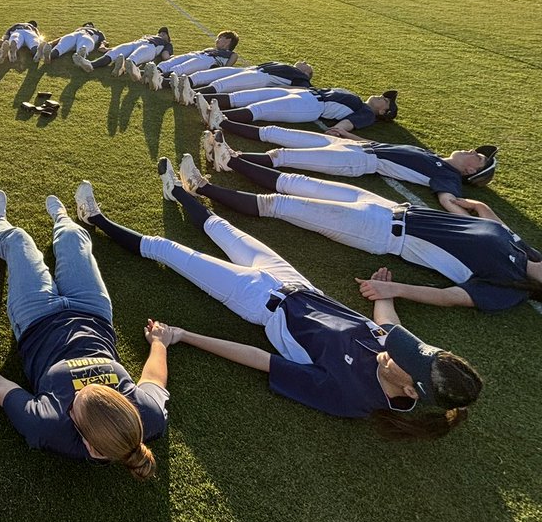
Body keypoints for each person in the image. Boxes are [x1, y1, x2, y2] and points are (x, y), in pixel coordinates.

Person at [75, 174, 481, 436]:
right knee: (223, 228)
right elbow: (387, 327)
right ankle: (178, 190)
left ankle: (94, 219)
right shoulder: (402, 355)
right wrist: (385, 293)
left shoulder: (348, 396)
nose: (396, 348)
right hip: (297, 283)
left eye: (402, 357)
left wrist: (183, 335)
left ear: (410, 390)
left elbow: (260, 359)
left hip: (257, 301)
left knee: (169, 250)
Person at [0, 190, 170, 477]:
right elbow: (153, 379)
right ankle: (63, 218)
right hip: (93, 312)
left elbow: (1, 388)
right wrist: (159, 343)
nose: (82, 389)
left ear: (88, 445)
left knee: (19, 240)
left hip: (35, 319)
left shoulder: (48, 427)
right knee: (74, 237)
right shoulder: (148, 417)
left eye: (74, 404)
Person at [168, 152, 542, 312]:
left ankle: (199, 187)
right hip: (393, 207)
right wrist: (467, 205)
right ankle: (228, 161)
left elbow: (451, 297)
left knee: (279, 206)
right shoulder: (524, 250)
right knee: (301, 183)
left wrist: (395, 290)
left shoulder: (508, 290)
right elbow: (488, 217)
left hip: (382, 233)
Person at [201, 124, 498, 213]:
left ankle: (229, 159)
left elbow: (448, 199)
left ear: (470, 173)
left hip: (361, 162)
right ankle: (227, 154)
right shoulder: (432, 156)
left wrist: (471, 214)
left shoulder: (448, 176)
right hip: (357, 148)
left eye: (479, 159)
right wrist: (348, 135)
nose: (474, 152)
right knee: (285, 144)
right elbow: (383, 145)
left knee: (287, 157)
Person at [195, 85, 398, 139]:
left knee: (261, 109)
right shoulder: (358, 99)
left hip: (312, 106)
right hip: (306, 94)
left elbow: (349, 123)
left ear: (383, 112)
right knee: (252, 96)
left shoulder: (367, 113)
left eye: (385, 101)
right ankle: (198, 98)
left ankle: (216, 118)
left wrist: (336, 131)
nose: (381, 97)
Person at [176, 60, 313, 104]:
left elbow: (303, 89)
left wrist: (278, 87)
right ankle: (180, 85)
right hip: (251, 70)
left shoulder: (302, 77)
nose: (304, 61)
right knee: (213, 75)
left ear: (307, 73)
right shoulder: (288, 67)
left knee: (222, 84)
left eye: (307, 64)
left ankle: (192, 96)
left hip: (262, 77)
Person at [142, 30, 239, 89]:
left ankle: (157, 78)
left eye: (220, 38)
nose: (217, 40)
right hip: (197, 54)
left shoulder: (232, 54)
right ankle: (149, 73)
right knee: (170, 62)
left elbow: (225, 69)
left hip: (209, 60)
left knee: (181, 68)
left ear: (228, 40)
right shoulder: (211, 48)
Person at [83, 28, 173, 76]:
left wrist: (174, 58)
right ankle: (91, 64)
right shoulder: (148, 36)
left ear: (168, 39)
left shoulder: (167, 44)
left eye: (165, 34)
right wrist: (108, 49)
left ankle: (121, 69)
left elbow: (165, 56)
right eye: (160, 32)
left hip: (150, 47)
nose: (162, 33)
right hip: (136, 43)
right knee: (113, 53)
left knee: (132, 59)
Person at [43, 22, 108, 69]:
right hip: (82, 36)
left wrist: (52, 42)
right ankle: (80, 58)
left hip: (80, 36)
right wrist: (53, 42)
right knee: (80, 46)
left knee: (62, 46)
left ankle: (50, 55)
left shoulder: (98, 32)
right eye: (87, 24)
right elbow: (63, 38)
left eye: (89, 24)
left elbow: (103, 42)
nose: (88, 25)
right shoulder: (96, 31)